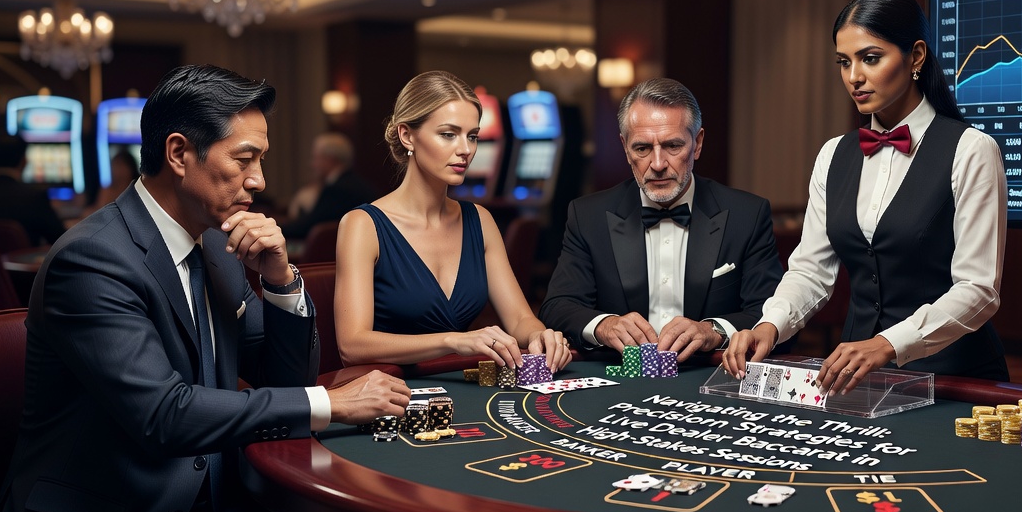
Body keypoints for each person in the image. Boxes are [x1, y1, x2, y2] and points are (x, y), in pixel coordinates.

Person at [0, 64, 413, 512]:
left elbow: (282, 381)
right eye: (245, 158)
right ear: (180, 153)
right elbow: (164, 415)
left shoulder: (216, 248)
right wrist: (334, 403)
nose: (259, 179)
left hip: (203, 510)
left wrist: (281, 282)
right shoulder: (92, 260)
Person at [725, 0, 1009, 389]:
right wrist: (770, 324)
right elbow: (811, 270)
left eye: (870, 58)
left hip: (954, 376)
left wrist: (887, 344)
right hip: (856, 379)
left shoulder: (972, 150)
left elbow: (978, 289)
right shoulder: (833, 154)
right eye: (844, 62)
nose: (854, 76)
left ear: (916, 56)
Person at [334, 70, 570, 372]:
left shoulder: (479, 221)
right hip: (390, 396)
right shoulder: (362, 225)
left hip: (462, 387)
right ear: (407, 135)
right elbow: (352, 345)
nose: (466, 150)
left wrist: (540, 335)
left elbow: (520, 319)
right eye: (448, 134)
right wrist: (453, 341)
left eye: (472, 136)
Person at [539, 77, 784, 361]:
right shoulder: (587, 215)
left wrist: (713, 330)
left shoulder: (747, 214)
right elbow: (557, 306)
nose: (657, 164)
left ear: (698, 143)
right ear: (624, 147)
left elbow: (771, 313)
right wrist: (604, 326)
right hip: (620, 380)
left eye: (672, 146)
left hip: (710, 375)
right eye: (642, 148)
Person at [281, 132, 379, 240]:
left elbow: (308, 227)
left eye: (316, 158)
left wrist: (275, 229)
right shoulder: (355, 183)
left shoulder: (338, 190)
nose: (312, 164)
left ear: (330, 159)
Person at [84, 148, 141, 215]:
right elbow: (98, 210)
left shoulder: (137, 190)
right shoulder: (107, 190)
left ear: (130, 168)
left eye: (120, 165)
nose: (116, 169)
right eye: (114, 165)